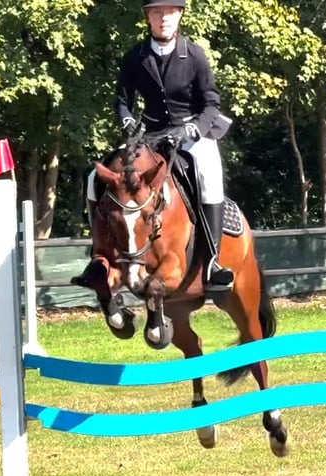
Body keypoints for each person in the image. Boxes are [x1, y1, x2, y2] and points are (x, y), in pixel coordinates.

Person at [86, 0, 234, 293]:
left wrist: (194, 128)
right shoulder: (135, 57)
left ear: (179, 15)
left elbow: (211, 102)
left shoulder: (194, 55)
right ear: (148, 17)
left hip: (192, 132)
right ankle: (98, 256)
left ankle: (213, 262)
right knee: (95, 178)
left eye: (170, 12)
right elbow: (122, 100)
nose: (164, 18)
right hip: (150, 135)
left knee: (208, 175)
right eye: (157, 12)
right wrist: (126, 119)